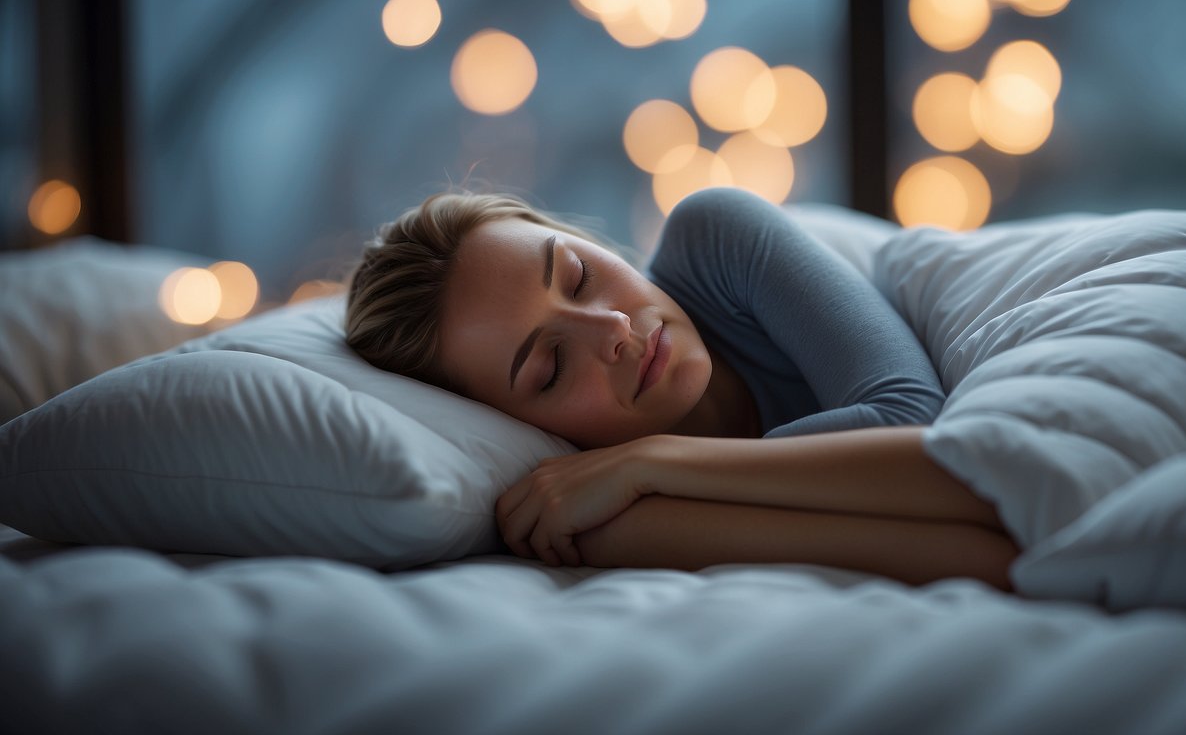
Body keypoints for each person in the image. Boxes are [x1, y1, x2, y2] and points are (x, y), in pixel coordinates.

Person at [346, 187, 1018, 588]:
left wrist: (655, 463)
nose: (610, 327)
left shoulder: (715, 236)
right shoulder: (606, 520)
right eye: (550, 368)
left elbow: (910, 421)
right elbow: (993, 555)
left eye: (578, 274)